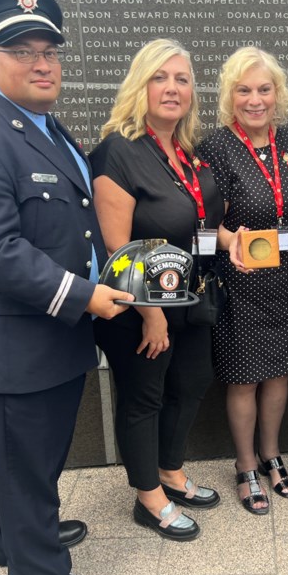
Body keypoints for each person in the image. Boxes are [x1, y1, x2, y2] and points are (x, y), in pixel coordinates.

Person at [0, 0, 132, 575]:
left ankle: (15, 534)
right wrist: (86, 296)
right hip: (12, 351)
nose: (43, 63)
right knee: (26, 464)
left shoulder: (43, 127)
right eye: (23, 51)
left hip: (51, 339)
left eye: (50, 50)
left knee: (28, 466)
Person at [90, 39, 225, 541]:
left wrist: (231, 240)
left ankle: (171, 471)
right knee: (145, 396)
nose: (172, 88)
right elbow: (117, 249)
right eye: (160, 77)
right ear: (139, 85)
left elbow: (196, 224)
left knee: (190, 384)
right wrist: (151, 313)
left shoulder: (186, 153)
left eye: (182, 79)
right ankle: (148, 497)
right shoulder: (117, 152)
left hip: (190, 298)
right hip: (140, 307)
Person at [195, 47, 288, 515]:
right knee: (244, 379)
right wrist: (226, 245)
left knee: (279, 373)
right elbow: (197, 226)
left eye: (264, 89)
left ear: (277, 93)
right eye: (244, 90)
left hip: (285, 278)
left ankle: (271, 453)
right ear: (230, 96)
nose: (255, 100)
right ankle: (245, 464)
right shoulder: (214, 149)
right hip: (238, 282)